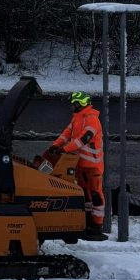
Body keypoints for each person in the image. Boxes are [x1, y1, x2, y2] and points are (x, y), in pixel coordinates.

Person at [51, 91, 105, 233]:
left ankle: (97, 224)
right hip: (79, 164)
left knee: (95, 194)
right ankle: (87, 220)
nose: (71, 106)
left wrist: (65, 149)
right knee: (84, 193)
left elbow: (83, 139)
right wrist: (55, 145)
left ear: (79, 104)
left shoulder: (92, 119)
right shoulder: (77, 118)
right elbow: (66, 133)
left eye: (73, 104)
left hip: (93, 165)